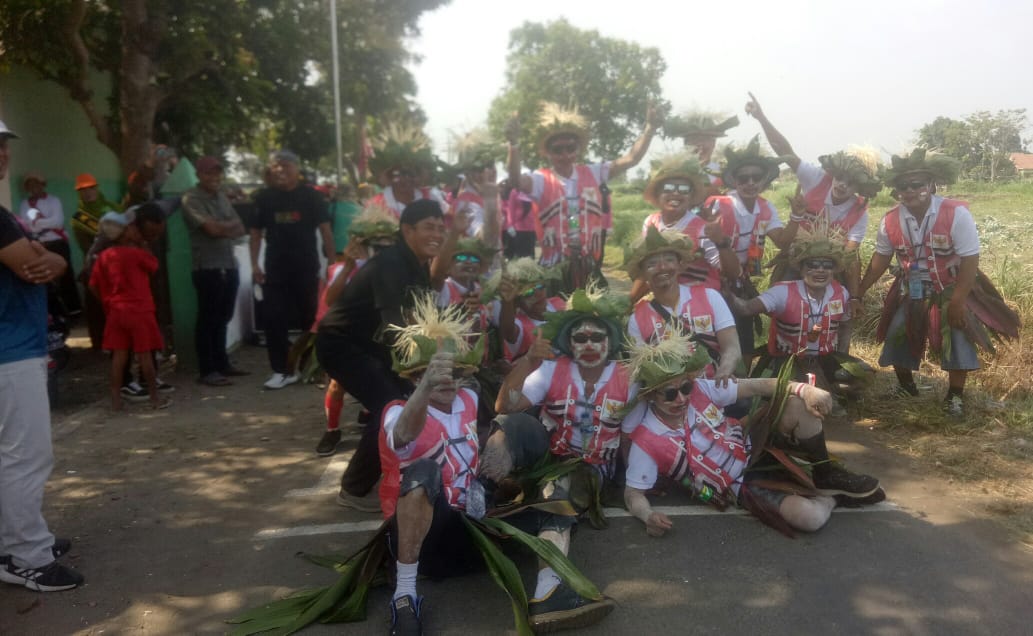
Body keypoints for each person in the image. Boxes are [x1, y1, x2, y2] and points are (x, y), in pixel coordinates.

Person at [620, 328, 883, 539]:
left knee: (795, 403)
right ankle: (834, 497)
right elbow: (633, 494)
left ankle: (825, 475)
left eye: (685, 388)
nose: (680, 398)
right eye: (669, 393)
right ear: (651, 396)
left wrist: (805, 390)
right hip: (738, 485)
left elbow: (757, 386)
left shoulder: (701, 388)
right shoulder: (647, 440)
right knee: (810, 519)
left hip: (754, 445)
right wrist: (648, 517)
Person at [316, 200, 468, 511]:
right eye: (429, 227)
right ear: (407, 229)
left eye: (441, 228)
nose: (437, 234)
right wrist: (420, 370)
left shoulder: (415, 262)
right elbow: (396, 327)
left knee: (399, 399)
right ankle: (353, 489)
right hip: (340, 344)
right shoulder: (392, 264)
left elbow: (417, 315)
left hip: (366, 345)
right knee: (391, 405)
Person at [857, 149, 1020, 417]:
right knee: (898, 333)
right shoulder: (889, 220)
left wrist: (958, 300)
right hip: (911, 288)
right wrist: (859, 292)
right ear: (896, 190)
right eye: (903, 186)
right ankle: (906, 387)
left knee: (957, 337)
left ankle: (954, 397)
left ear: (931, 184)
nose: (910, 190)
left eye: (917, 184)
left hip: (952, 287)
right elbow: (881, 258)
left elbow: (970, 259)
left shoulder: (955, 213)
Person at [0, 118, 85, 591]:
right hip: (10, 351)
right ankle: (28, 556)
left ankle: (14, 544)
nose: (1, 154)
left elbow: (46, 259)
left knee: (10, 456)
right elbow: (37, 263)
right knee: (27, 456)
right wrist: (46, 257)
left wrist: (48, 258)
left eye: (4, 145)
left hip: (11, 348)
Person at [745, 92, 881, 301]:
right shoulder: (817, 178)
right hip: (794, 260)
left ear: (859, 187)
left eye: (850, 182)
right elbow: (785, 151)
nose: (842, 184)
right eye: (840, 177)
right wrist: (761, 117)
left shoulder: (859, 212)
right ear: (833, 173)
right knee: (785, 306)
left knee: (833, 309)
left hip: (829, 267)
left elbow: (850, 254)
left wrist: (853, 295)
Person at [507, 102, 660, 283]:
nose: (565, 155)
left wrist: (650, 128)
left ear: (578, 149)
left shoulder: (594, 173)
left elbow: (631, 159)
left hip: (589, 266)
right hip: (554, 269)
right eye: (557, 150)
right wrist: (513, 144)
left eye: (570, 148)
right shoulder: (541, 179)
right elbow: (515, 180)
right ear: (548, 153)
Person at [313, 206, 398, 457]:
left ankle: (371, 417)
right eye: (376, 246)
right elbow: (329, 300)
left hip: (375, 335)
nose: (381, 252)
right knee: (338, 385)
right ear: (364, 245)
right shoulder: (346, 268)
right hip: (345, 336)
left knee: (381, 381)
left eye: (387, 246)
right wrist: (349, 265)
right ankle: (332, 430)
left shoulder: (395, 268)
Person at [249, 150, 334, 389]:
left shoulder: (311, 197)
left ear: (297, 169)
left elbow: (326, 230)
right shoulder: (263, 198)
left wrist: (331, 262)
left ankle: (310, 368)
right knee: (274, 319)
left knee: (310, 318)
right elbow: (255, 234)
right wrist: (254, 263)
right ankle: (281, 370)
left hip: (306, 267)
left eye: (286, 166)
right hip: (274, 269)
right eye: (276, 167)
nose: (281, 171)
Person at [705, 136, 790, 366]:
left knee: (744, 340)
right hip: (711, 278)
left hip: (739, 279)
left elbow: (782, 240)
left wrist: (797, 216)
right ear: (734, 181)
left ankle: (741, 383)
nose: (750, 182)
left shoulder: (765, 206)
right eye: (744, 178)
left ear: (763, 180)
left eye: (756, 177)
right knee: (715, 335)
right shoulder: (720, 205)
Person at [624, 227, 741, 384]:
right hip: (670, 400)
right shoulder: (637, 319)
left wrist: (724, 371)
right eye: (652, 264)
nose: (662, 267)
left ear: (681, 265)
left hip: (714, 389)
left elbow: (732, 346)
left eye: (669, 260)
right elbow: (640, 369)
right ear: (643, 274)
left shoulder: (710, 297)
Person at [89, 206, 170, 410]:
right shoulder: (137, 254)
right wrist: (143, 244)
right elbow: (154, 266)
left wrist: (107, 302)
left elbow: (92, 284)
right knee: (145, 356)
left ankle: (116, 400)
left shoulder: (105, 255)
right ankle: (154, 398)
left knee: (119, 357)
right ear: (127, 230)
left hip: (116, 311)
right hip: (140, 311)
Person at [629, 154, 740, 302]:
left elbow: (732, 273)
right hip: (664, 297)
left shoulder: (702, 229)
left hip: (700, 300)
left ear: (691, 196)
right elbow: (646, 270)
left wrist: (721, 243)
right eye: (668, 188)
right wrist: (629, 302)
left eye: (683, 189)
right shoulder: (650, 222)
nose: (675, 193)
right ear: (657, 194)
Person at [180, 156, 248, 386]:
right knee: (208, 319)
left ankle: (222, 364)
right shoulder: (191, 198)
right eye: (209, 173)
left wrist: (222, 227)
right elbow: (210, 229)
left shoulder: (220, 196)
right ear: (199, 175)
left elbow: (240, 227)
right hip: (207, 266)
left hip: (228, 264)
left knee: (224, 316)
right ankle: (207, 370)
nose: (214, 177)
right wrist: (222, 226)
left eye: (217, 173)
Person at [18, 172, 81, 315]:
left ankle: (73, 310)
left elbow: (57, 222)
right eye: (30, 185)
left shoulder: (54, 201)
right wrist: (42, 224)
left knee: (65, 276)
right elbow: (25, 225)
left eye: (36, 184)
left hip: (56, 242)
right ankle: (52, 311)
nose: (33, 188)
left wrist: (36, 223)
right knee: (44, 277)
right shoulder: (24, 204)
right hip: (38, 245)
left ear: (43, 185)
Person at [482, 257, 565, 362]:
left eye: (540, 286)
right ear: (517, 302)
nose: (537, 293)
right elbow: (508, 332)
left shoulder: (558, 303)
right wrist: (507, 302)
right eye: (528, 292)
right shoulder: (521, 325)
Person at [71, 173, 121, 350]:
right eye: (83, 190)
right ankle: (100, 343)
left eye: (91, 188)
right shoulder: (79, 217)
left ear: (97, 188)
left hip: (118, 263)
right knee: (96, 306)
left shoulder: (112, 208)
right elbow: (86, 245)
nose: (88, 192)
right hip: (95, 265)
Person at [367, 138, 448, 220]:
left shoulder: (431, 197)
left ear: (419, 176)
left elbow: (446, 224)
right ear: (390, 177)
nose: (406, 179)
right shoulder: (376, 204)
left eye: (411, 173)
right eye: (400, 174)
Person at [661, 110, 740, 188]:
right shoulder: (672, 173)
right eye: (695, 139)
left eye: (705, 139)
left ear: (713, 143)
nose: (700, 144)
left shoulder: (726, 174)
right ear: (685, 143)